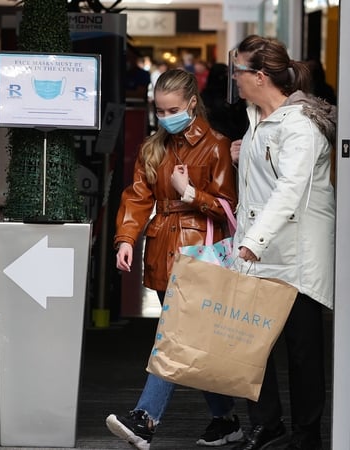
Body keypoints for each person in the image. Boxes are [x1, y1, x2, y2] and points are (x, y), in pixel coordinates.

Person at [105, 69, 241, 450]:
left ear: (192, 104)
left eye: (172, 109)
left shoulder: (216, 146)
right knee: (189, 340)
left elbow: (229, 209)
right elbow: (136, 196)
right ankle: (225, 419)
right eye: (159, 110)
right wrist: (125, 239)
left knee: (174, 339)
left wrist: (190, 193)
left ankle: (145, 420)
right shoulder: (154, 148)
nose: (165, 117)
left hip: (199, 257)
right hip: (164, 253)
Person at [229, 35, 336, 450]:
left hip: (296, 259)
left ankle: (306, 436)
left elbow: (290, 189)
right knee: (249, 343)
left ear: (259, 75)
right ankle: (269, 424)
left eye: (237, 71)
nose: (233, 79)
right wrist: (245, 154)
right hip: (259, 251)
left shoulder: (300, 125)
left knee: (301, 353)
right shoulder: (257, 117)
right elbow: (265, 180)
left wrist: (251, 242)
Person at [201, 63, 249, 141]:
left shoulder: (235, 95)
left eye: (228, 73)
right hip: (212, 140)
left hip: (235, 140)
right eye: (225, 74)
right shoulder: (206, 96)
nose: (229, 77)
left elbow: (242, 118)